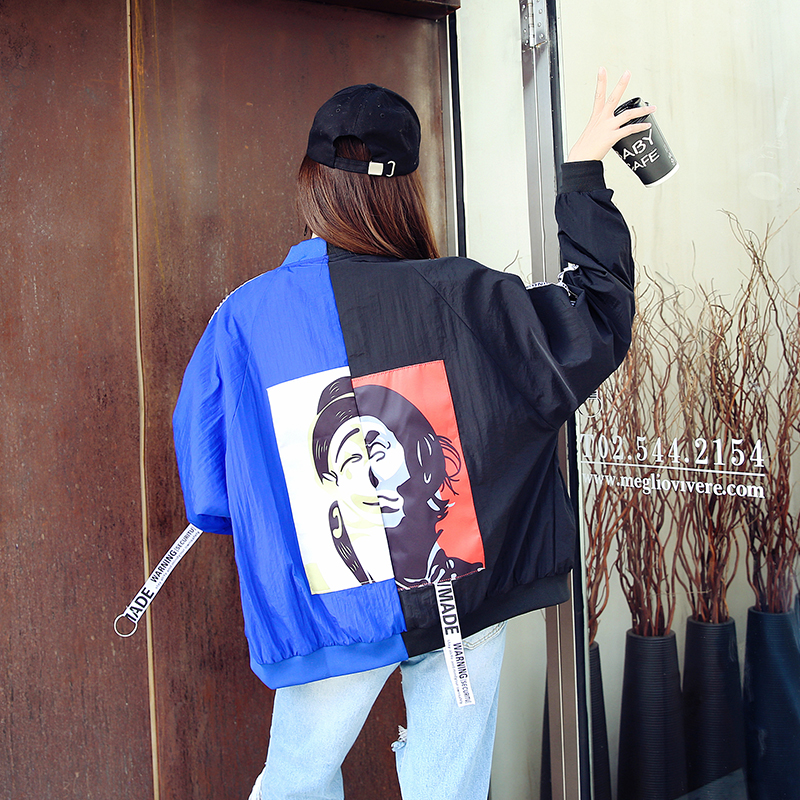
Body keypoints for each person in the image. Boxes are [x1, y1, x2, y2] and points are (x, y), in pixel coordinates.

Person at [172, 70, 651, 800]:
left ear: (312, 183)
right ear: (406, 190)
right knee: (447, 787)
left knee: (296, 781)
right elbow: (596, 318)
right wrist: (582, 171)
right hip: (463, 581)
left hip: (333, 599)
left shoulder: (247, 316)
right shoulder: (464, 295)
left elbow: (210, 482)